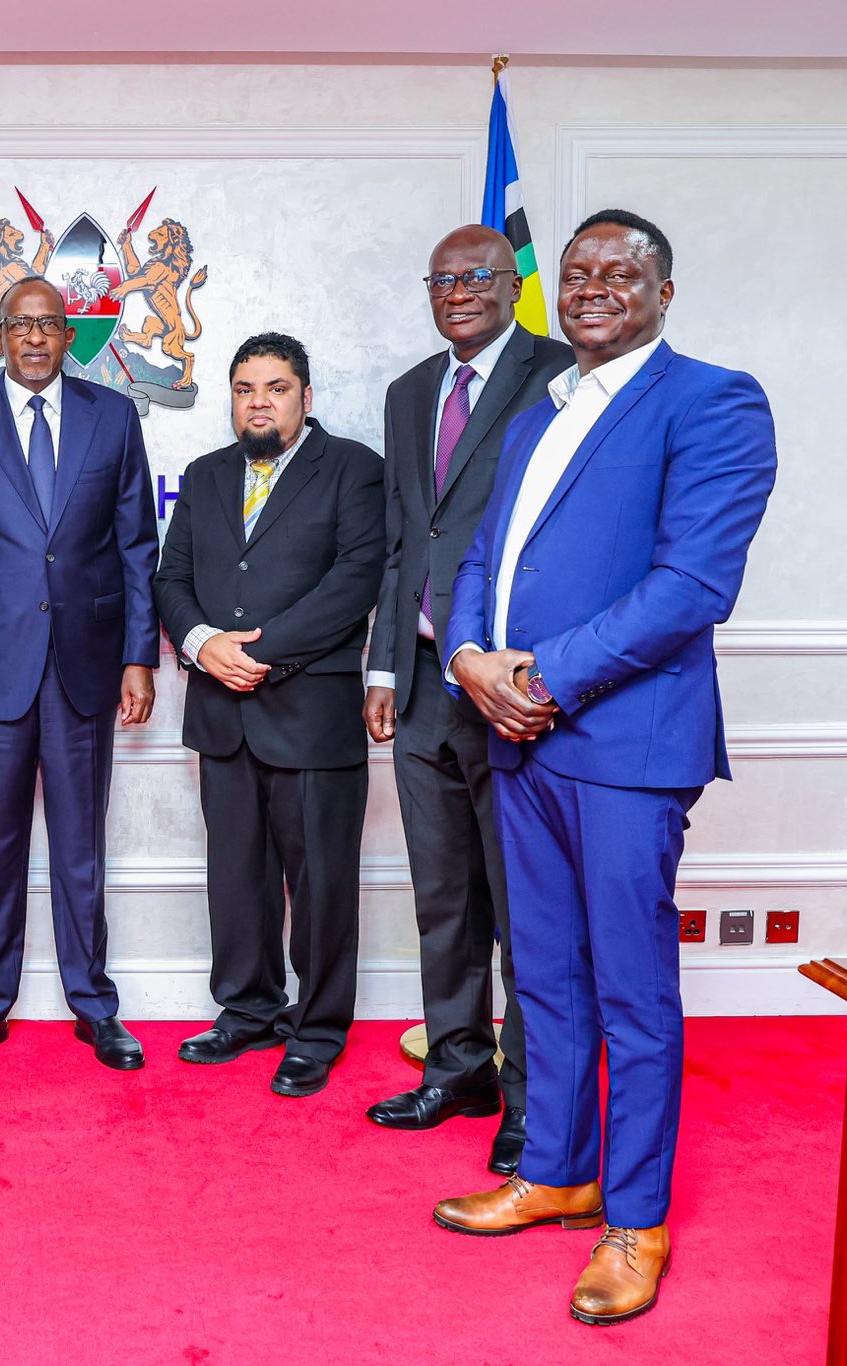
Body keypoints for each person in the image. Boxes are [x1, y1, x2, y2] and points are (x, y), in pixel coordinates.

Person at [430, 211, 776, 1327]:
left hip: (622, 746)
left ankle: (635, 1219)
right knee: (544, 976)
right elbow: (481, 558)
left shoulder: (713, 401)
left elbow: (692, 584)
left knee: (631, 990)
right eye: (575, 272)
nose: (591, 286)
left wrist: (542, 677)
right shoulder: (537, 413)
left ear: (663, 291)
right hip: (515, 733)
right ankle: (558, 1171)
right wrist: (469, 660)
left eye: (619, 272)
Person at [362, 228, 575, 1173]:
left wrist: (541, 672)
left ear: (513, 283)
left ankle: (530, 1100)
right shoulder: (411, 391)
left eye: (477, 276)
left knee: (525, 909)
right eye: (442, 279)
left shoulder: (562, 374)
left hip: (508, 687)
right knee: (443, 898)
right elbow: (403, 540)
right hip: (419, 686)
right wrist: (382, 667)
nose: (457, 292)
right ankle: (458, 1070)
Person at [0, 276, 160, 1073]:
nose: (33, 337)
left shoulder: (112, 417)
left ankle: (95, 1006)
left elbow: (137, 545)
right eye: (19, 324)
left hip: (86, 666)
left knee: (82, 847)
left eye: (48, 324)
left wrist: (138, 656)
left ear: (68, 335)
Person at [152, 333, 384, 1097]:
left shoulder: (353, 468)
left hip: (311, 713)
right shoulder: (206, 474)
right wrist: (201, 643)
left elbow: (355, 581)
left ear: (305, 398)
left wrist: (257, 652)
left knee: (320, 886)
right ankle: (248, 1008)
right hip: (221, 712)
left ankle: (317, 1028)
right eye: (245, 388)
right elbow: (172, 577)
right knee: (236, 878)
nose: (259, 402)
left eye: (276, 388)